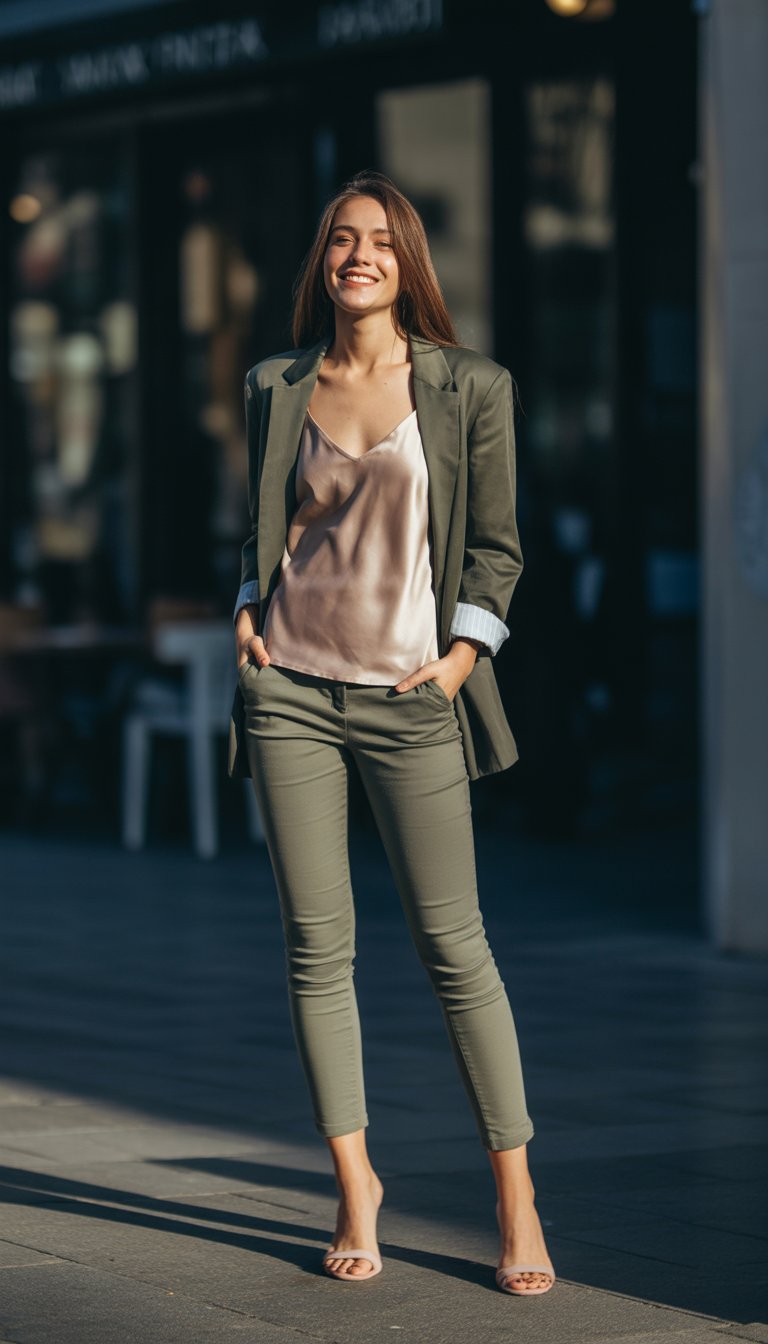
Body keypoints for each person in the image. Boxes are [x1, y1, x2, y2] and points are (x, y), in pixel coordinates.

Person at [230, 170, 555, 1296]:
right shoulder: (276, 382)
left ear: (408, 261)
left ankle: (517, 1200)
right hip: (291, 695)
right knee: (318, 951)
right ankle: (355, 1182)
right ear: (320, 262)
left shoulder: (469, 387)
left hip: (414, 696)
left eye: (378, 240)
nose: (356, 255)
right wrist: (243, 612)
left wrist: (462, 662)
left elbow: (498, 551)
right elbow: (261, 529)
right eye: (339, 240)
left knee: (455, 949)